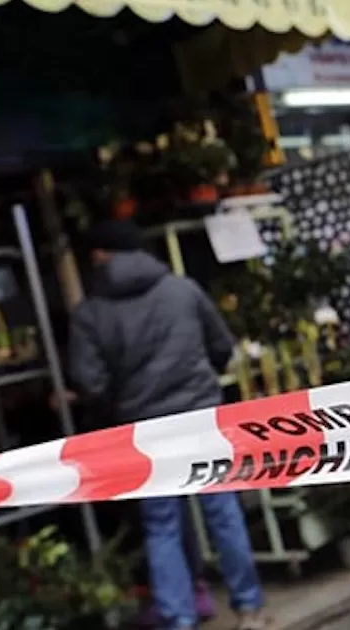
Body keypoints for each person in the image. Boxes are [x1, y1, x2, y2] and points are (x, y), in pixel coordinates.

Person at [68, 219, 267, 630]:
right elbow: (221, 346)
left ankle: (179, 619)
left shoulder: (90, 313)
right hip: (200, 414)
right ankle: (249, 610)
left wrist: (118, 405)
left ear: (102, 256)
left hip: (144, 429)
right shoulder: (182, 288)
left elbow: (90, 382)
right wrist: (199, 385)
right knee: (223, 511)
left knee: (162, 525)